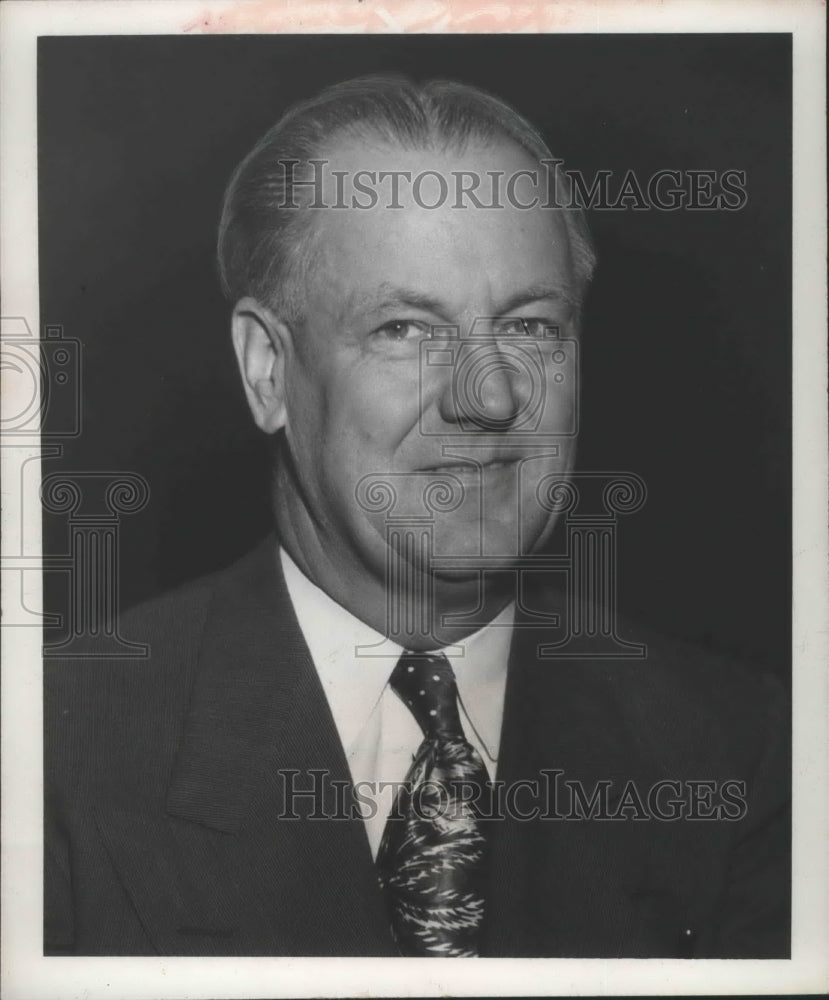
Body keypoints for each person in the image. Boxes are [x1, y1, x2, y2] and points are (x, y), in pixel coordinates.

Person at [44, 75, 789, 958]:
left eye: (532, 327)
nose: (492, 393)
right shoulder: (55, 753)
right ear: (267, 373)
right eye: (404, 328)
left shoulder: (739, 758)